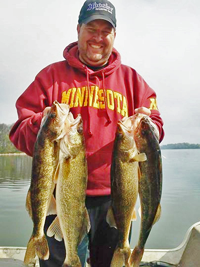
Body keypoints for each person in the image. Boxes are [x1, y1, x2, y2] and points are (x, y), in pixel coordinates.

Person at [9, 0, 164, 266]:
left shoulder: (132, 80)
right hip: (61, 198)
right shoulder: (50, 78)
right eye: (92, 28)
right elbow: (19, 133)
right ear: (78, 28)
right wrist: (43, 124)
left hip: (116, 197)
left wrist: (147, 127)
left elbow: (157, 128)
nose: (98, 38)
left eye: (106, 31)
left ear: (115, 35)